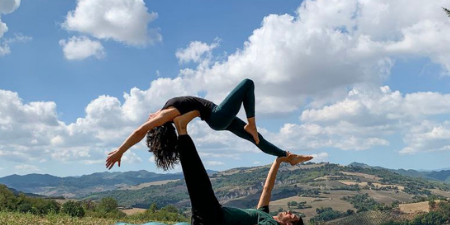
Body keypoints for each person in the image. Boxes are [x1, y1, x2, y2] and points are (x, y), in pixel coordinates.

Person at [106, 78, 313, 170]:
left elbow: (147, 123)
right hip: (217, 117)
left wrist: (154, 117)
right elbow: (140, 130)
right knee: (248, 83)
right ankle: (252, 124)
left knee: (256, 140)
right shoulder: (168, 114)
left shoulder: (162, 112)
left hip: (220, 119)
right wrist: (120, 150)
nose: (148, 120)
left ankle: (288, 156)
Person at [173, 110, 304, 225]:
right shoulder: (265, 215)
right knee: (197, 179)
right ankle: (181, 129)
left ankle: (182, 129)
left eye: (291, 215)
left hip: (213, 219)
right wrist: (278, 161)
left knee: (198, 178)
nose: (288, 212)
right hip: (213, 215)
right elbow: (267, 189)